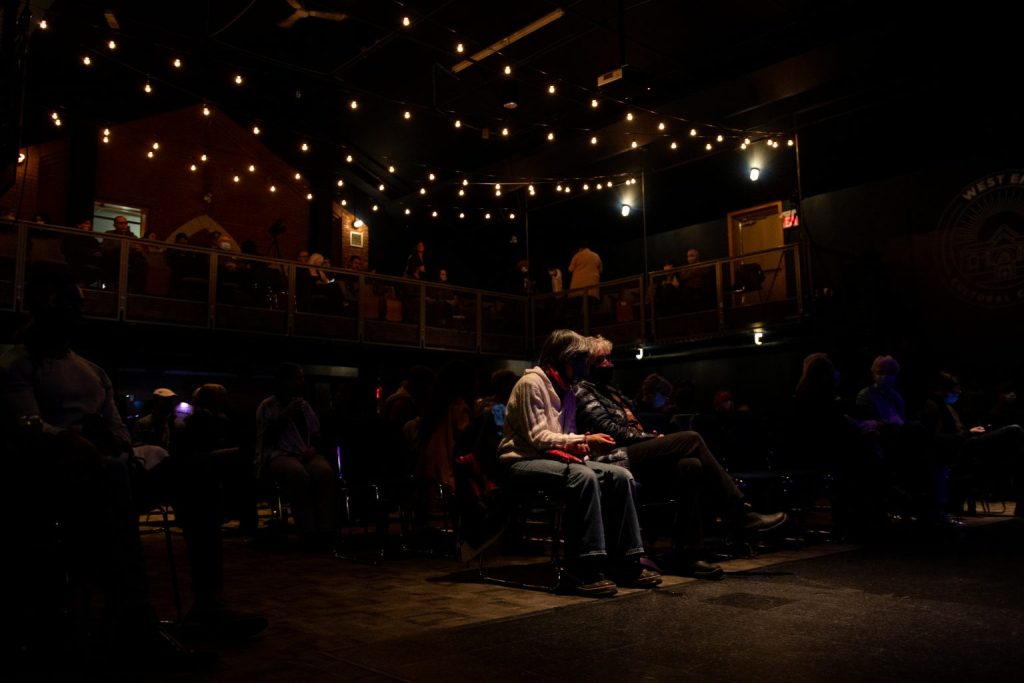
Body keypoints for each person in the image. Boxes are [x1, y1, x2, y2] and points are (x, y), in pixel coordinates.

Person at [0, 264, 237, 671]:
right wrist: (72, 440)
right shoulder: (16, 362)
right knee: (108, 476)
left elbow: (116, 429)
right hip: (50, 480)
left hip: (108, 469)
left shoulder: (93, 370)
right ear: (45, 305)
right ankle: (134, 623)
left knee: (197, 472)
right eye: (71, 303)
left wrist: (119, 448)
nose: (79, 312)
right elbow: (25, 424)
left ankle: (209, 605)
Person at [574, 336, 787, 578]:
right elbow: (610, 431)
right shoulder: (582, 389)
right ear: (587, 364)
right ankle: (741, 514)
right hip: (609, 457)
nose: (608, 364)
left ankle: (690, 556)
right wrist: (649, 438)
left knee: (691, 465)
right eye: (600, 359)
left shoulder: (610, 392)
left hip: (631, 452)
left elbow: (630, 425)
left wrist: (645, 435)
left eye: (609, 358)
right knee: (691, 438)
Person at [497, 329, 661, 596]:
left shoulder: (568, 391)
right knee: (582, 477)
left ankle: (626, 562)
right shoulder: (531, 384)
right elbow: (538, 437)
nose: (583, 365)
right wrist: (582, 438)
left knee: (619, 475)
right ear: (563, 358)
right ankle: (584, 567)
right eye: (579, 359)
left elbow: (564, 436)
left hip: (551, 459)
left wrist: (583, 445)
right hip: (520, 462)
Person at [255, 362, 337, 549]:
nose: (301, 382)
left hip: (305, 453)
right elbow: (265, 438)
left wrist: (313, 449)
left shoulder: (304, 405)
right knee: (297, 474)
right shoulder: (267, 406)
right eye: (297, 378)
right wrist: (285, 415)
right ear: (284, 381)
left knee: (325, 472)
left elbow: (317, 434)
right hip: (277, 455)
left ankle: (325, 529)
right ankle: (307, 530)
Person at [920, 371, 1024, 518]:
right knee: (1014, 431)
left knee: (1014, 451)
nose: (959, 391)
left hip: (966, 444)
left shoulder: (947, 406)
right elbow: (936, 439)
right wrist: (967, 434)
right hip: (962, 449)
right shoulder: (933, 406)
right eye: (956, 388)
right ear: (943, 389)